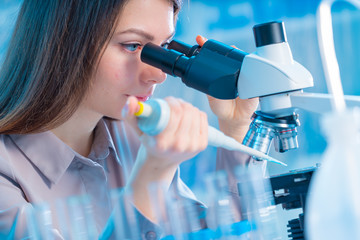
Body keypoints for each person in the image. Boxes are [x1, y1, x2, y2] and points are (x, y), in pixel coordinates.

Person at [0, 0, 259, 239]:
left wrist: (234, 130)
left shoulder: (133, 137)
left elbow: (225, 232)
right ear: (62, 42)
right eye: (132, 45)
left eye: (164, 47)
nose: (158, 75)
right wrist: (151, 179)